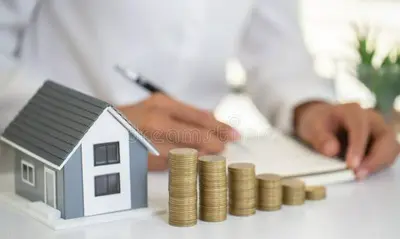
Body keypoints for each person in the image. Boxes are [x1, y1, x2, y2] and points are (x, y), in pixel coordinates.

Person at [0, 0, 398, 178]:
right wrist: (85, 125)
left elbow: (276, 46)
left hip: (197, 173)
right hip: (50, 170)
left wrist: (310, 107)